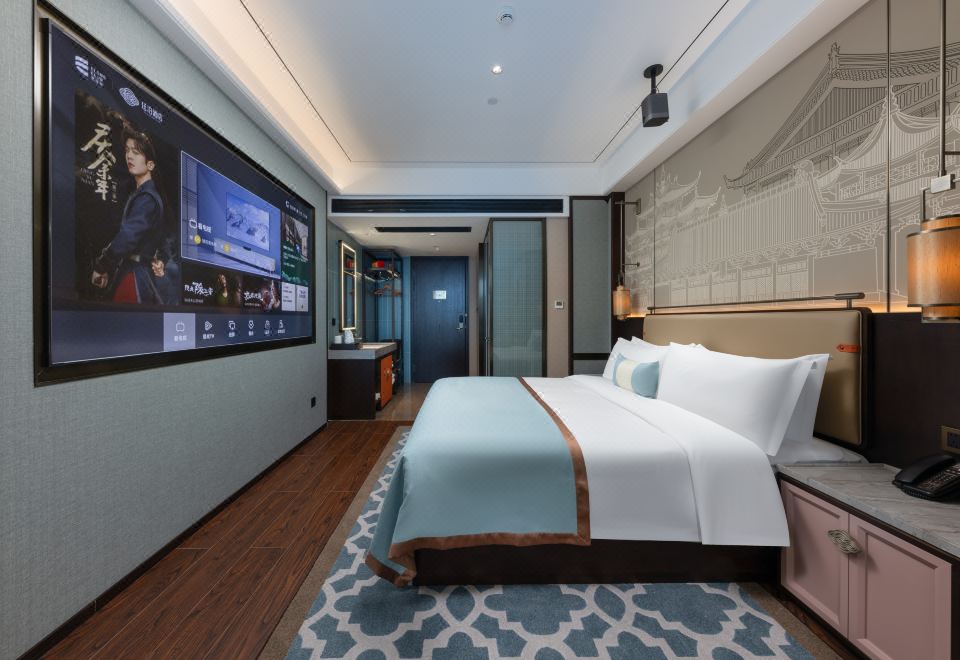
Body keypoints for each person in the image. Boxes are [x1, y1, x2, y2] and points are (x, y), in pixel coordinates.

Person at [90, 127, 168, 303]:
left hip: (134, 276)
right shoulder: (144, 195)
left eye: (136, 152)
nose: (129, 156)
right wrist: (161, 259)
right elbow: (162, 241)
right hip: (136, 272)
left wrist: (102, 266)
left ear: (150, 165)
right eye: (127, 150)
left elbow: (127, 237)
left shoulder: (147, 198)